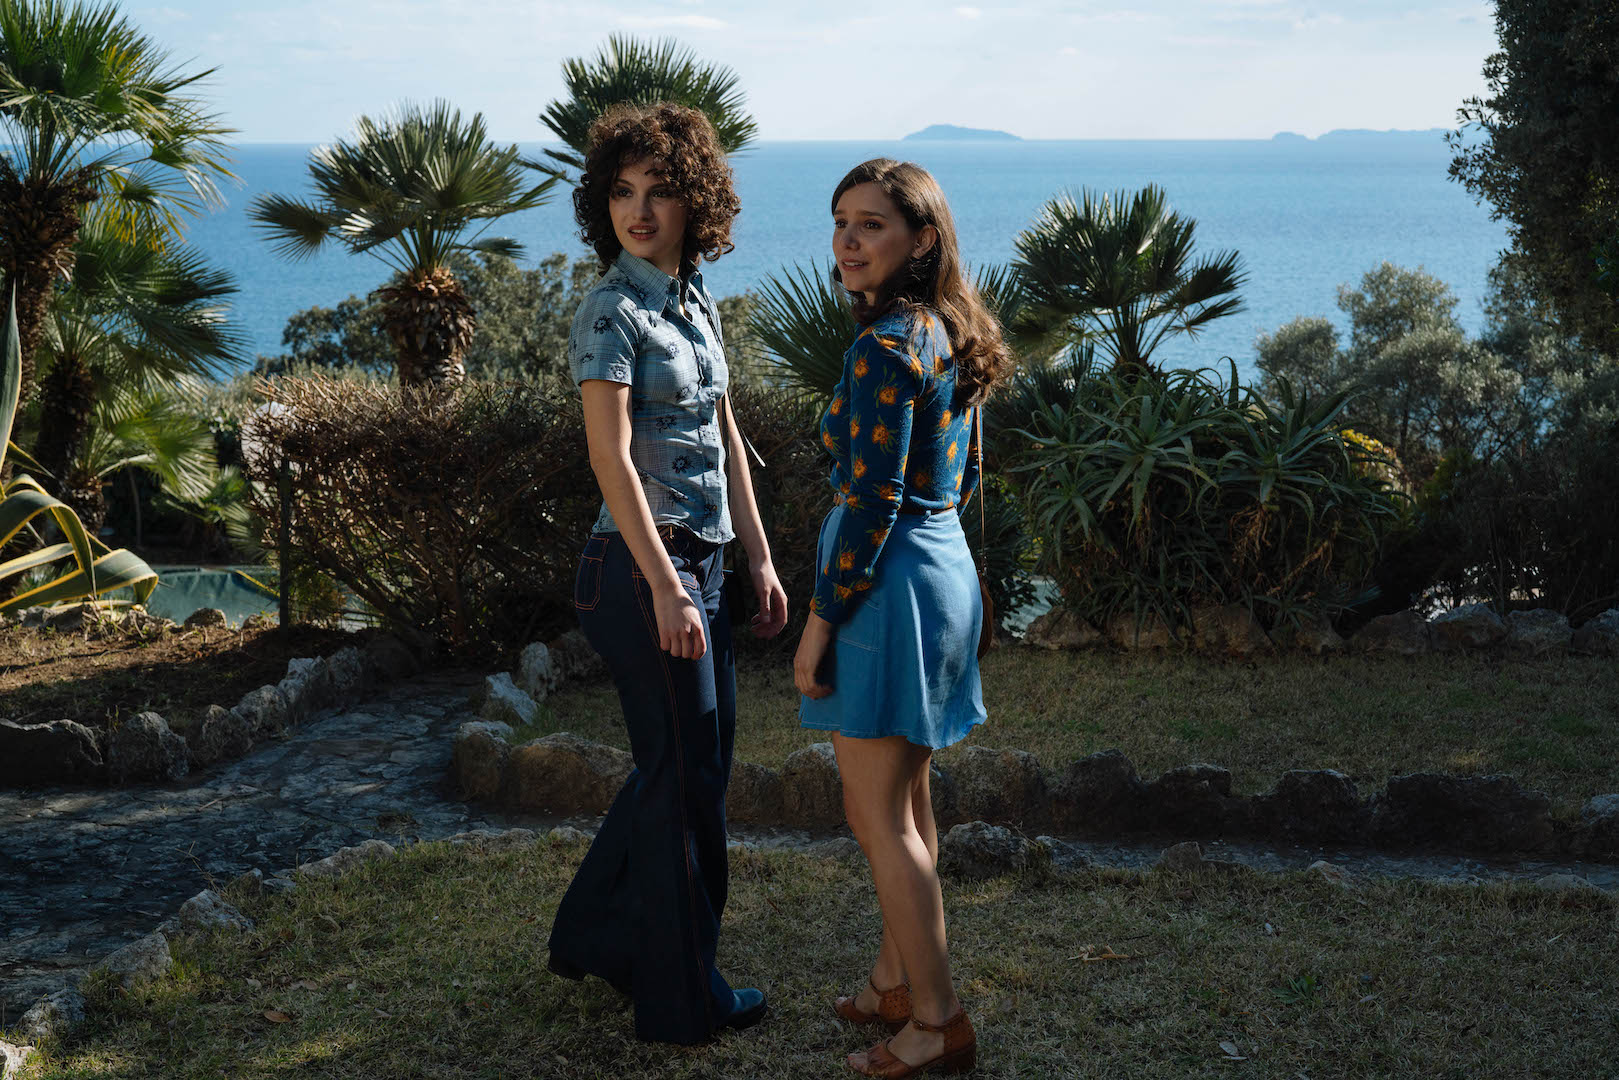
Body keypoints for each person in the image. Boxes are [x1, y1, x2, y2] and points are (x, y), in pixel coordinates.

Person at [546, 102, 789, 1046]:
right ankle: (682, 1000)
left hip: (704, 561)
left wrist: (756, 556)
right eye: (621, 192)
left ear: (697, 204)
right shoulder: (608, 309)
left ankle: (596, 934)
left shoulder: (693, 301)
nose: (638, 211)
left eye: (658, 191)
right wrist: (666, 586)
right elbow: (609, 459)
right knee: (682, 783)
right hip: (638, 567)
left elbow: (725, 434)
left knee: (692, 770)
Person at [796, 158, 1014, 1077]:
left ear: (921, 239)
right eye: (841, 221)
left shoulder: (885, 346)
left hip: (886, 588)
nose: (848, 241)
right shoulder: (946, 330)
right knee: (908, 804)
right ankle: (894, 980)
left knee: (876, 815)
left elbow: (874, 502)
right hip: (940, 570)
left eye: (872, 224)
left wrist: (818, 625)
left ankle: (935, 1022)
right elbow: (958, 479)